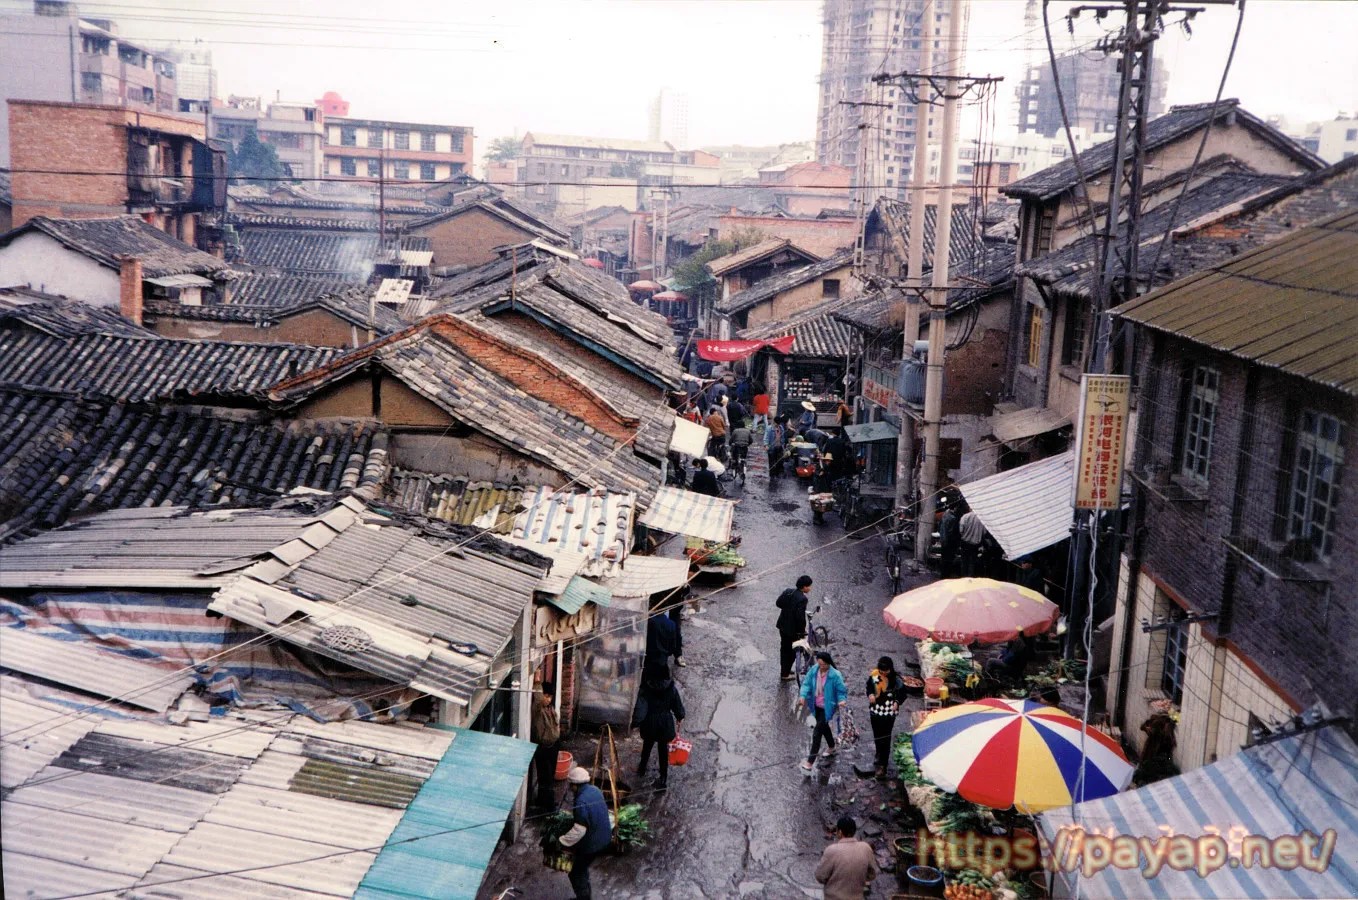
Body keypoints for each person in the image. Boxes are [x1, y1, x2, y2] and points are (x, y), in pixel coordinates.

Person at [559, 767, 612, 899]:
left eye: (571, 786)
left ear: (575, 786)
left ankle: (584, 898)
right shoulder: (595, 790)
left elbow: (579, 830)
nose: (571, 789)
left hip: (593, 844)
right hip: (605, 836)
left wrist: (562, 841)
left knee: (575, 872)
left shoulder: (580, 802)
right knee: (582, 866)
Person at [635, 664, 686, 790]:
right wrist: (680, 717)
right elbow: (677, 705)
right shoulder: (671, 688)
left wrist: (636, 722)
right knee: (663, 751)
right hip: (665, 722)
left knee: (647, 745)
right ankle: (663, 777)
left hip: (650, 721)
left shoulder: (646, 688)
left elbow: (641, 708)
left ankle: (642, 768)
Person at [798, 651, 848, 770]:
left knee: (817, 733)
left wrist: (842, 700)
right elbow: (807, 684)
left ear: (829, 663)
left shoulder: (835, 675)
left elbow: (841, 691)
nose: (822, 667)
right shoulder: (814, 670)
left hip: (828, 707)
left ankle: (810, 762)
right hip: (816, 705)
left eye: (824, 665)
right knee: (824, 727)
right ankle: (831, 746)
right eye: (820, 664)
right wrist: (802, 695)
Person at [815, 816, 881, 900]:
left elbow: (820, 876)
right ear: (854, 831)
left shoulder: (831, 850)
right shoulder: (865, 848)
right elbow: (872, 874)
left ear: (840, 832)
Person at [865, 657, 904, 777]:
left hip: (889, 712)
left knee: (885, 738)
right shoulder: (875, 675)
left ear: (890, 669)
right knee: (877, 735)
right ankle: (878, 753)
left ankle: (883, 765)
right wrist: (871, 694)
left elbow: (902, 693)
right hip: (876, 709)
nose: (883, 673)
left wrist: (897, 702)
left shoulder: (896, 680)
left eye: (885, 671)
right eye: (881, 671)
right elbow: (869, 686)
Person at [530, 683, 561, 812]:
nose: (547, 699)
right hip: (542, 748)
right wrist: (537, 682)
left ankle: (542, 801)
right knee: (546, 778)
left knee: (550, 775)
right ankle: (550, 806)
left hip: (553, 746)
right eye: (545, 696)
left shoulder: (550, 709)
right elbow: (537, 698)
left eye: (550, 696)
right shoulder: (538, 709)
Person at [775, 575, 812, 681]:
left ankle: (784, 670)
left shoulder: (788, 591)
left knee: (784, 649)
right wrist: (802, 630)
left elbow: (778, 603)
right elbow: (800, 617)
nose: (809, 588)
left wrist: (788, 609)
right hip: (792, 630)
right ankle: (785, 674)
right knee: (791, 652)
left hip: (782, 625)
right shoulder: (802, 599)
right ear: (804, 587)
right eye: (809, 586)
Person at [644, 610, 679, 680]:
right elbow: (673, 645)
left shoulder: (649, 622)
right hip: (663, 660)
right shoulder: (672, 624)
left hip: (650, 660)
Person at [959, 505, 985, 577]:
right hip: (975, 544)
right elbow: (984, 532)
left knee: (964, 561)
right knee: (972, 563)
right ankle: (970, 578)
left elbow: (961, 530)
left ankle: (963, 578)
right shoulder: (982, 519)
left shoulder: (965, 517)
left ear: (970, 508)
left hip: (965, 542)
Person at [938, 503, 961, 578]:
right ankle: (946, 575)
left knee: (943, 557)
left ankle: (942, 574)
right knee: (948, 559)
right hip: (949, 541)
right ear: (954, 508)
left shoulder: (944, 515)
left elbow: (940, 527)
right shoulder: (953, 518)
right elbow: (952, 532)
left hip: (943, 539)